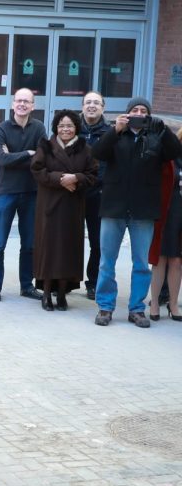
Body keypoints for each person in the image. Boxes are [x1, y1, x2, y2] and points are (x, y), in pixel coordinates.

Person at [90, 96, 182, 328]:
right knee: (107, 261)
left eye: (144, 111)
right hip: (114, 207)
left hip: (144, 209)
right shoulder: (116, 134)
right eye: (135, 110)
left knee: (141, 263)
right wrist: (115, 130)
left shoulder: (155, 137)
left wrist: (164, 130)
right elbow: (97, 153)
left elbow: (175, 151)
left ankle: (137, 309)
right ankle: (105, 306)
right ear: (128, 113)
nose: (139, 114)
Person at [30, 110, 98, 310]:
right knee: (49, 249)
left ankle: (62, 293)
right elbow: (36, 169)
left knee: (68, 250)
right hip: (49, 206)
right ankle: (46, 293)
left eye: (69, 126)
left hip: (72, 207)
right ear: (55, 128)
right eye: (61, 126)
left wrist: (75, 178)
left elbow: (93, 174)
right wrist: (61, 179)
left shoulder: (85, 148)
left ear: (76, 127)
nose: (65, 129)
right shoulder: (46, 146)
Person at [0, 88, 46, 302]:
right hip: (6, 193)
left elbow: (42, 158)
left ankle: (27, 286)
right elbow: (2, 160)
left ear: (33, 106)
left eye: (26, 101)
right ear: (13, 104)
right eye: (19, 100)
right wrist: (28, 153)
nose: (22, 104)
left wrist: (15, 156)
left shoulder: (39, 128)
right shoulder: (0, 129)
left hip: (31, 193)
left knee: (29, 243)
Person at [146, 127, 182, 321]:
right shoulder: (169, 155)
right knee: (160, 257)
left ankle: (173, 304)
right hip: (167, 210)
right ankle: (154, 302)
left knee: (177, 260)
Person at [78, 92, 110, 300]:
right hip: (74, 193)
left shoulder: (110, 133)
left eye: (96, 103)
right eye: (88, 102)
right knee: (69, 240)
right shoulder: (72, 129)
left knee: (97, 242)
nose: (92, 106)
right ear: (82, 106)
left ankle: (93, 282)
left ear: (103, 108)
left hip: (98, 194)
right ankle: (66, 281)